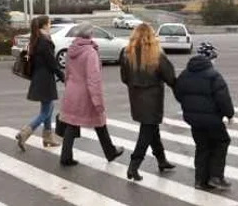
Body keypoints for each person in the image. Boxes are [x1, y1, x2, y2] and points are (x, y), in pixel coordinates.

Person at [58, 21, 124, 166]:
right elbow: (93, 80)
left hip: (72, 91)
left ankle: (65, 156)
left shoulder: (71, 49)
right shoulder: (90, 53)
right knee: (99, 121)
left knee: (71, 123)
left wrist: (69, 87)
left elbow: (67, 73)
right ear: (90, 34)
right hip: (86, 94)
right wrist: (98, 101)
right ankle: (110, 152)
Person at [120, 22, 177, 181]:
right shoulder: (156, 55)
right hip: (153, 99)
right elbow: (170, 77)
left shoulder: (126, 53)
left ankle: (161, 160)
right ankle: (133, 165)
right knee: (146, 131)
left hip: (136, 98)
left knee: (152, 129)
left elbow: (124, 78)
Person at [175, 42, 234, 191]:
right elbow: (223, 98)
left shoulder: (185, 73)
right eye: (215, 58)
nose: (215, 61)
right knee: (222, 142)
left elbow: (178, 92)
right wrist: (229, 115)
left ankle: (200, 181)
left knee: (202, 147)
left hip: (193, 119)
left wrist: (190, 106)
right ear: (210, 58)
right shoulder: (213, 75)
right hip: (212, 119)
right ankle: (216, 177)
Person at [16, 15, 65, 151]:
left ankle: (48, 138)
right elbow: (52, 63)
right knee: (45, 111)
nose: (50, 25)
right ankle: (24, 133)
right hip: (45, 80)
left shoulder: (36, 40)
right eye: (49, 23)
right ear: (44, 25)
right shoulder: (44, 41)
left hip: (40, 77)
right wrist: (63, 76)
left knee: (48, 107)